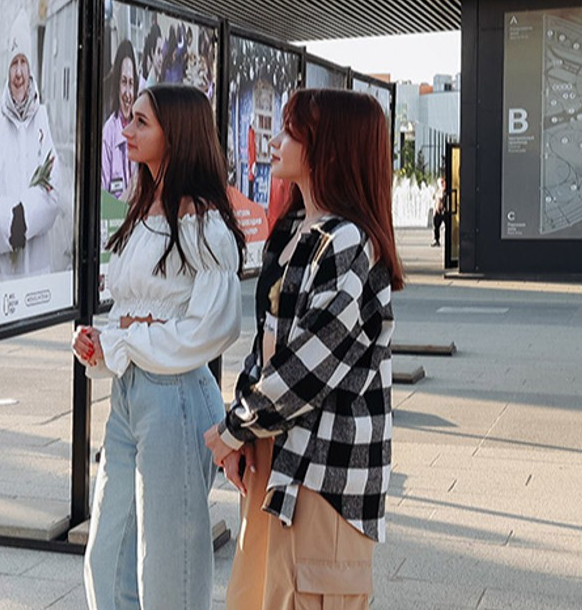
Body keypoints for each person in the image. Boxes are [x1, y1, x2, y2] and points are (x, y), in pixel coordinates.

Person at [203, 88, 401, 609]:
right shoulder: (294, 232)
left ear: (328, 148)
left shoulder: (348, 243)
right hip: (277, 454)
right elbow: (268, 346)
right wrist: (245, 433)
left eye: (292, 131)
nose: (275, 139)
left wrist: (233, 428)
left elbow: (308, 367)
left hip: (323, 468)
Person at [74, 84, 246, 610]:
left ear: (176, 133)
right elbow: (131, 305)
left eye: (141, 122)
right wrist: (103, 343)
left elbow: (212, 328)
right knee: (107, 557)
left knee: (170, 569)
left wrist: (125, 342)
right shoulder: (143, 207)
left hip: (175, 398)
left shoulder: (202, 222)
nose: (126, 130)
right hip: (129, 396)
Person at [0, 20, 62, 279]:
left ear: (31, 71)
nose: (19, 73)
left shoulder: (43, 122)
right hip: (9, 277)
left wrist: (24, 217)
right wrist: (9, 223)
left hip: (39, 272)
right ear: (7, 71)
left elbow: (53, 190)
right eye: (14, 64)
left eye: (23, 63)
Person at [100, 40, 139, 201]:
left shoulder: (142, 131)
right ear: (116, 84)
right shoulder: (107, 135)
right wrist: (131, 191)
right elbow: (104, 208)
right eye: (124, 82)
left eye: (131, 83)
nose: (128, 93)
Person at [431, 176, 449, 247]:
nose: (442, 184)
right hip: (438, 211)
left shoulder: (444, 191)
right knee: (436, 226)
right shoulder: (439, 190)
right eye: (441, 182)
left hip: (442, 211)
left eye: (443, 182)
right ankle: (436, 240)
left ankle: (447, 241)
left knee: (446, 226)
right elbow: (435, 199)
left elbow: (442, 198)